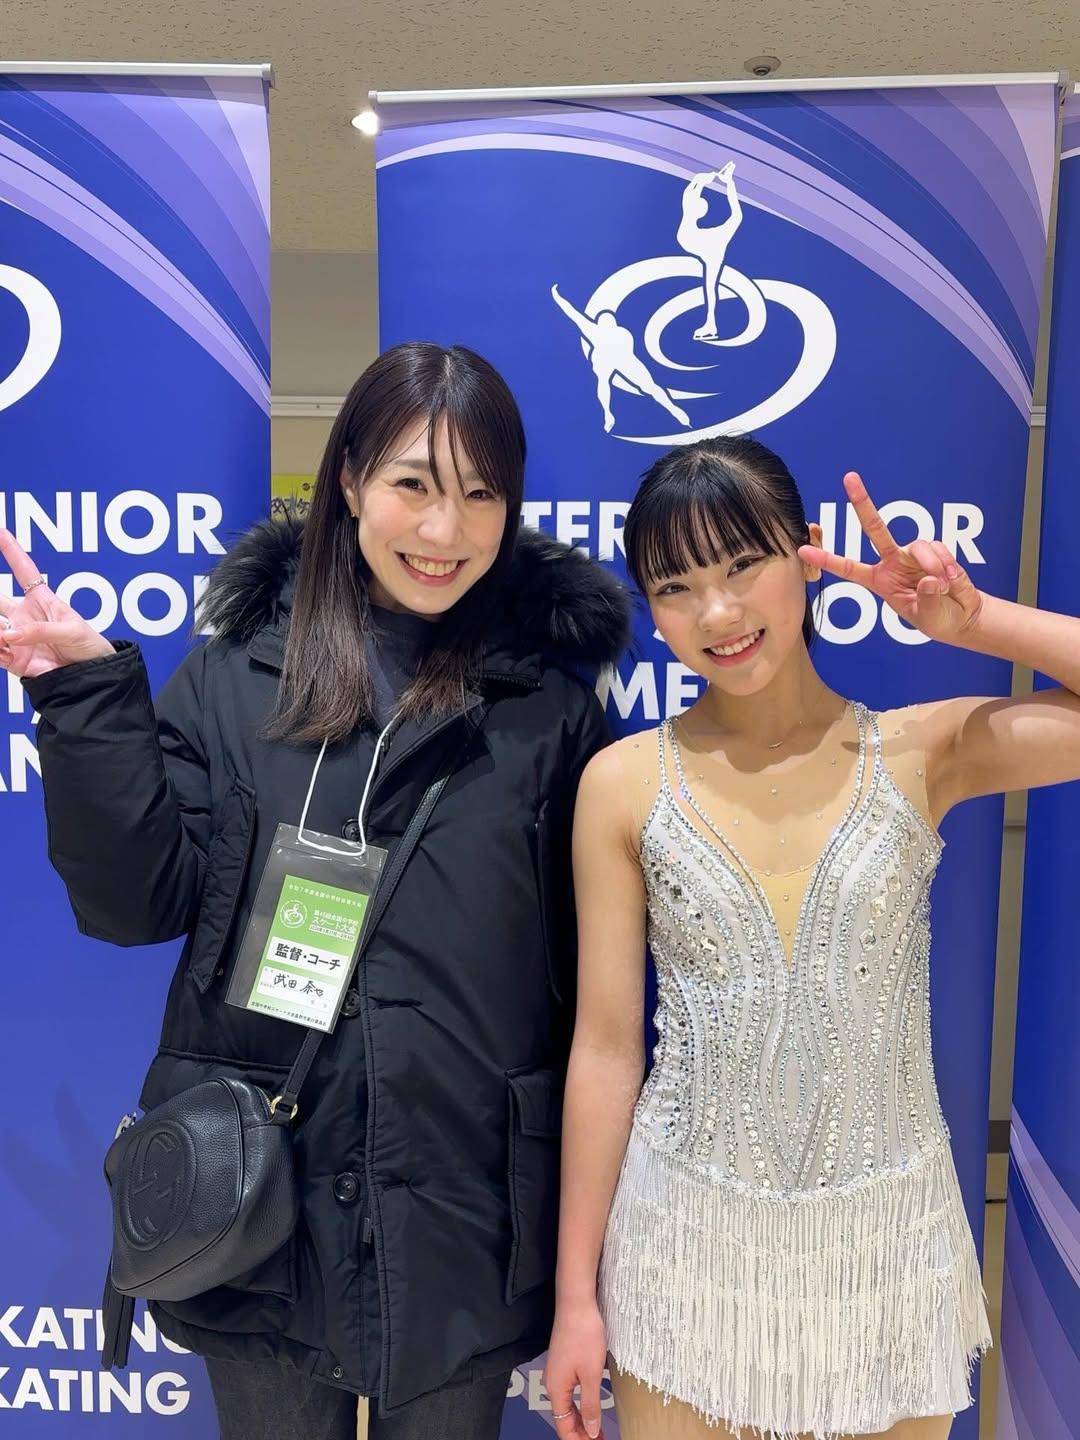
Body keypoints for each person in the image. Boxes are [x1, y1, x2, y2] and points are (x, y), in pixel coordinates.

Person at [0, 342, 630, 1440]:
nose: (445, 529)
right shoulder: (236, 678)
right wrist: (86, 702)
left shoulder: (552, 715)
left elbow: (590, 1000)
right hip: (265, 1207)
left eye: (482, 494)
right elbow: (135, 905)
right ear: (348, 481)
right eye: (413, 484)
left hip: (463, 1210)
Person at [544, 435, 1080, 1440]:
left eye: (743, 564)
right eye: (676, 586)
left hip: (888, 1254)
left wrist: (973, 621)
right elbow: (607, 1049)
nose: (717, 613)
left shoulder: (922, 750)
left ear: (807, 552)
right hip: (685, 1252)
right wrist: (577, 1296)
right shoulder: (621, 783)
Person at [550, 284, 691, 432]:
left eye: (609, 319)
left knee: (648, 386)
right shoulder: (604, 331)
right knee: (606, 381)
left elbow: (573, 314)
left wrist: (557, 297)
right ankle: (608, 413)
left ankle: (673, 409)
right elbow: (572, 313)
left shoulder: (610, 332)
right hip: (610, 361)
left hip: (623, 361)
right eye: (605, 319)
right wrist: (557, 297)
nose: (607, 321)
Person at [677, 162, 744, 341]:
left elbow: (691, 191)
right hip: (708, 246)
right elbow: (691, 192)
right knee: (710, 287)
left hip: (710, 247)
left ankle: (711, 324)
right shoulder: (693, 220)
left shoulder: (712, 233)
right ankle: (710, 323)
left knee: (710, 287)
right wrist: (727, 182)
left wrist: (707, 179)